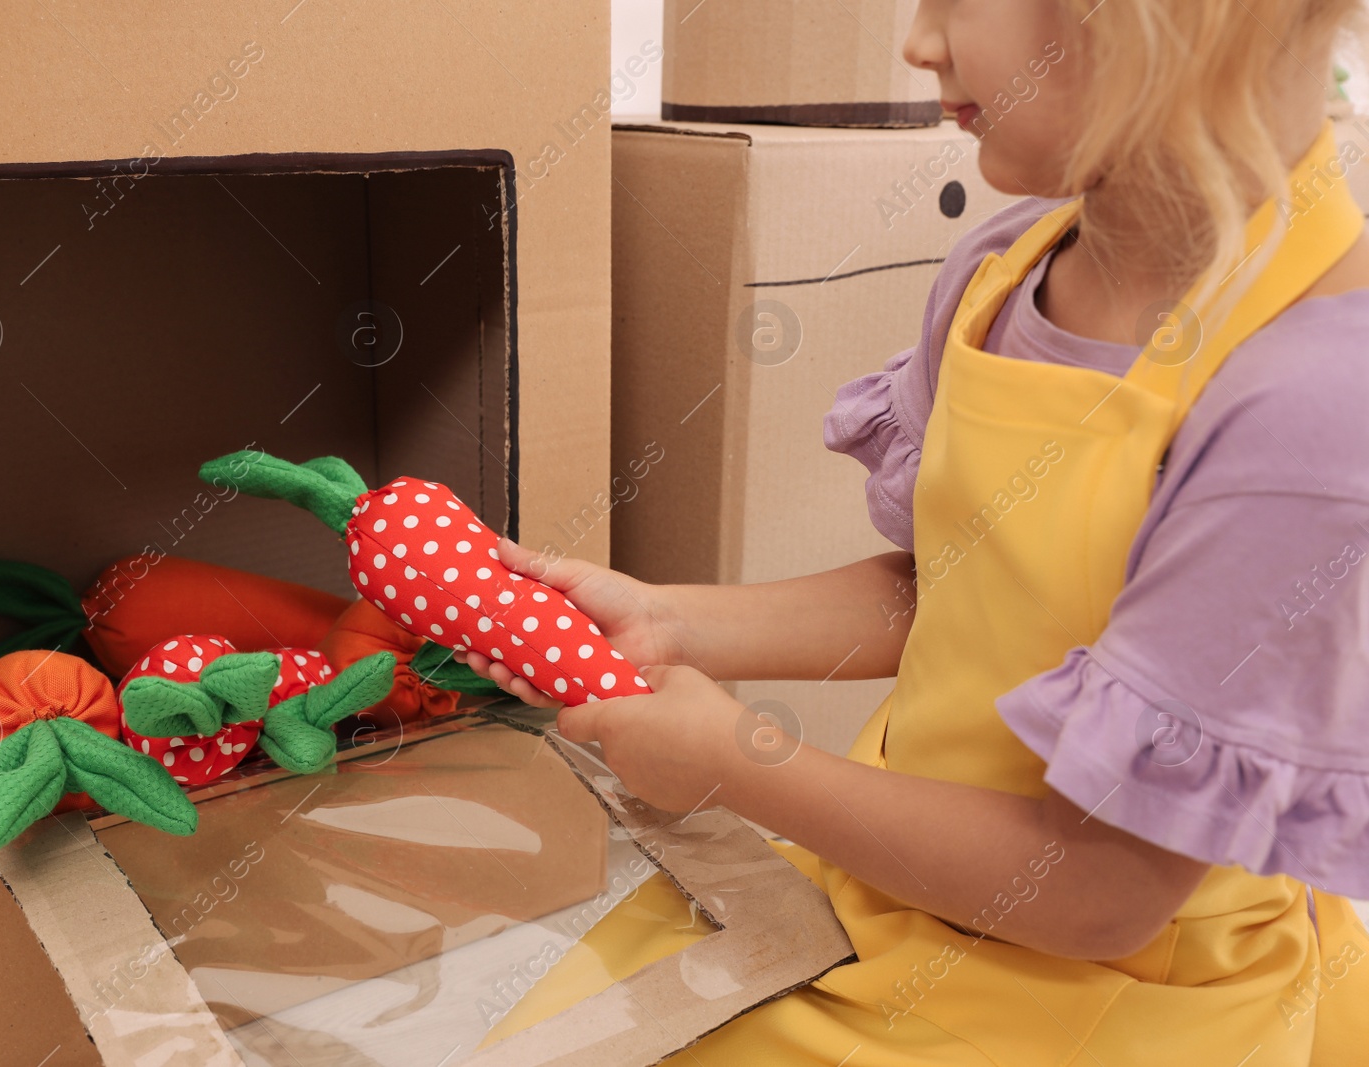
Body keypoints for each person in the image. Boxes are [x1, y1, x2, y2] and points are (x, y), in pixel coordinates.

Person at [462, 0, 1369, 1061]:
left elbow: (1099, 895)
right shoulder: (1002, 271)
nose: (916, 43)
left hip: (1096, 990)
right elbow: (952, 586)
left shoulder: (1312, 406)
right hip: (898, 886)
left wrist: (735, 763)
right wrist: (671, 621)